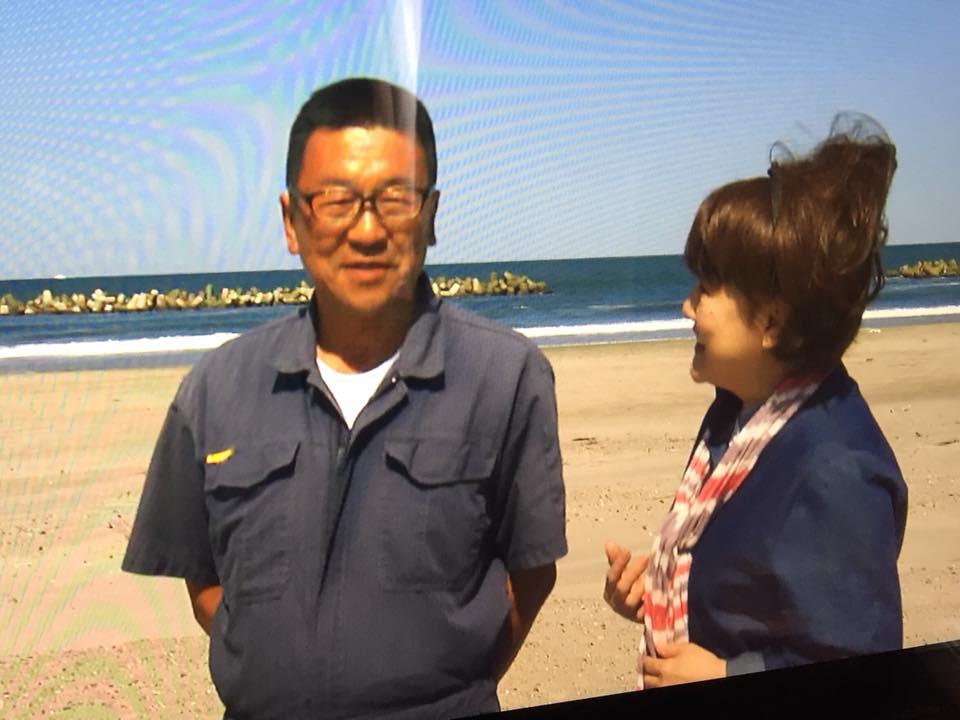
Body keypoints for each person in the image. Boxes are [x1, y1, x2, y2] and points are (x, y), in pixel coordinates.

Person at [122, 77, 567, 719]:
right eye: (335, 201)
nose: (366, 231)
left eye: (395, 199)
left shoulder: (504, 377)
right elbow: (205, 579)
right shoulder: (217, 389)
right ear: (292, 221)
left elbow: (531, 571)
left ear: (430, 215)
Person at [603, 114, 907, 689]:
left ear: (770, 320)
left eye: (706, 288)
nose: (687, 307)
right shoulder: (738, 413)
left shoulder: (835, 469)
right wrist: (657, 591)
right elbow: (743, 582)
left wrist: (728, 672)